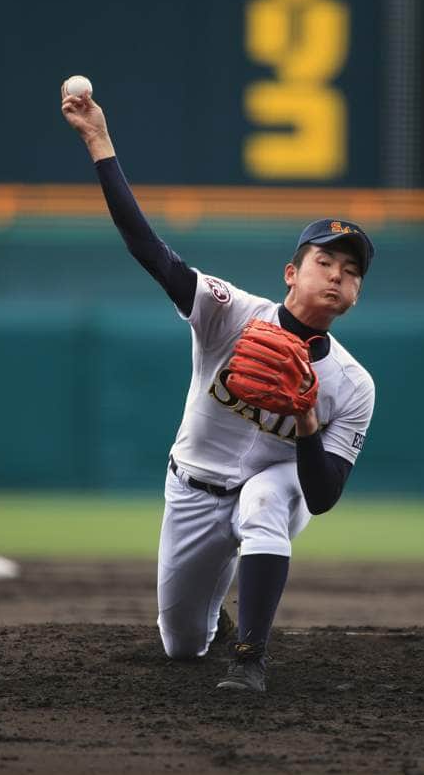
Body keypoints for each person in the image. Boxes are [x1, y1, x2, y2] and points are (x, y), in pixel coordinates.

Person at [61, 87, 376, 693]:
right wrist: (99, 142)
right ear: (292, 273)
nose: (338, 274)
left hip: (279, 489)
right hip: (193, 487)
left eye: (352, 270)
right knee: (181, 644)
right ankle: (215, 604)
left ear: (356, 294)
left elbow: (324, 495)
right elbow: (150, 251)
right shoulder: (232, 314)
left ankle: (250, 659)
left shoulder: (353, 383)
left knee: (262, 502)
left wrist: (307, 420)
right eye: (325, 262)